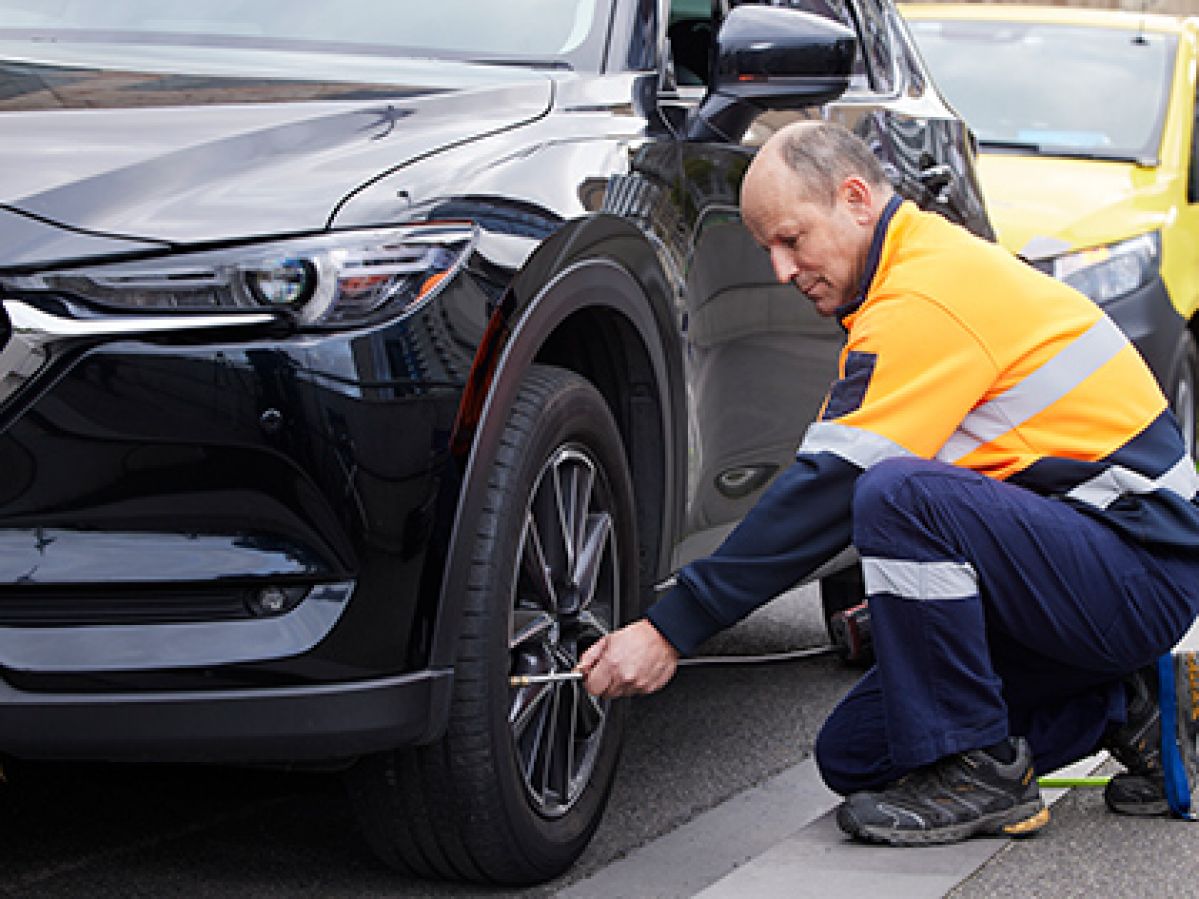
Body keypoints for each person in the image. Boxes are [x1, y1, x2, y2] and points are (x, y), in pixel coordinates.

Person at [577, 120, 1199, 846]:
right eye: (766, 250)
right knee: (858, 753)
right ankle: (1124, 700)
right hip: (1086, 569)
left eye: (789, 238)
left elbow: (829, 487)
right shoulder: (906, 282)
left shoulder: (926, 295)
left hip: (1139, 567)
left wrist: (669, 627)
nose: (781, 269)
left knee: (895, 495)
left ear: (853, 199)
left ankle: (981, 775)